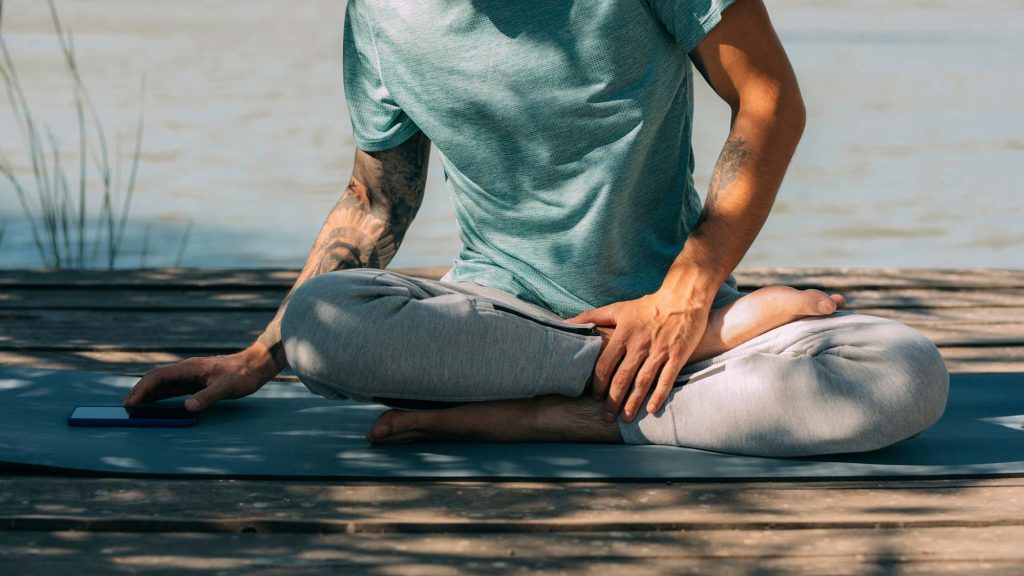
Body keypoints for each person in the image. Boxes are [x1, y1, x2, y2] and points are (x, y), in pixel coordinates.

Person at [123, 0, 949, 456]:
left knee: (903, 373)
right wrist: (262, 357)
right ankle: (625, 387)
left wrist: (686, 299)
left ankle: (548, 411)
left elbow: (770, 100)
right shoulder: (379, 16)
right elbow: (376, 202)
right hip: (498, 324)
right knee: (320, 324)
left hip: (669, 308)